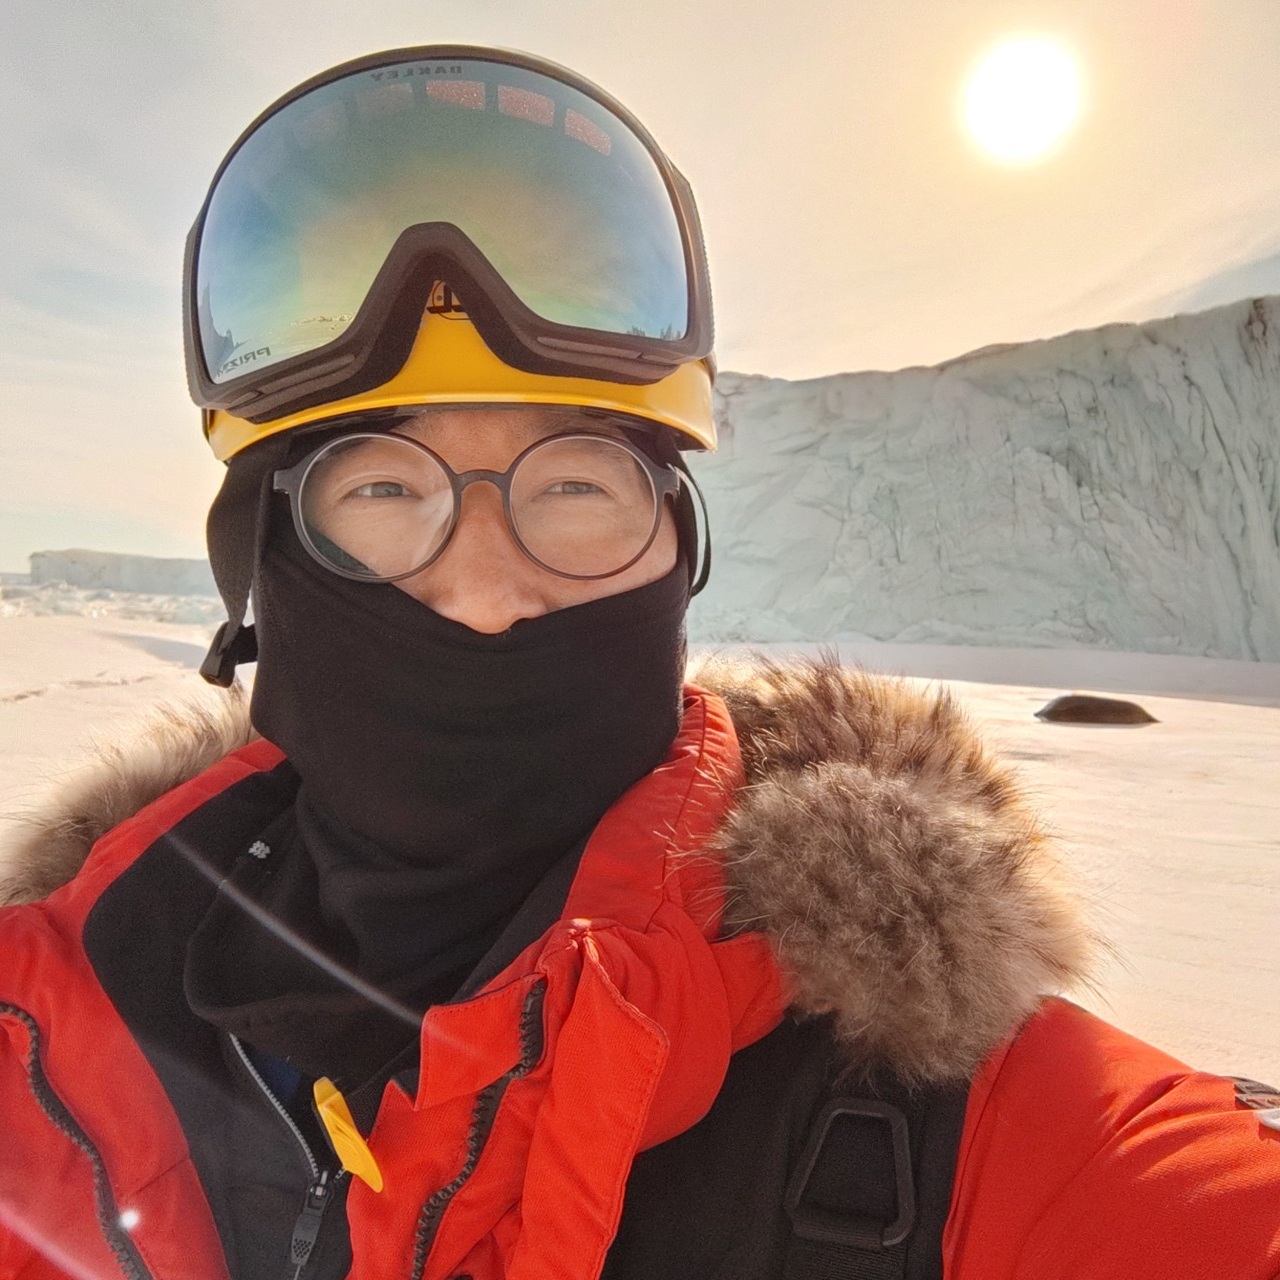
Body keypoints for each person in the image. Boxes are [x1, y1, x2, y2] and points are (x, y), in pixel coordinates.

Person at [0, 44, 1277, 1280]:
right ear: (261, 564)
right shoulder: (36, 1018)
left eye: (574, 486)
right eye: (382, 487)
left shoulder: (950, 1113)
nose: (486, 591)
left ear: (680, 553)